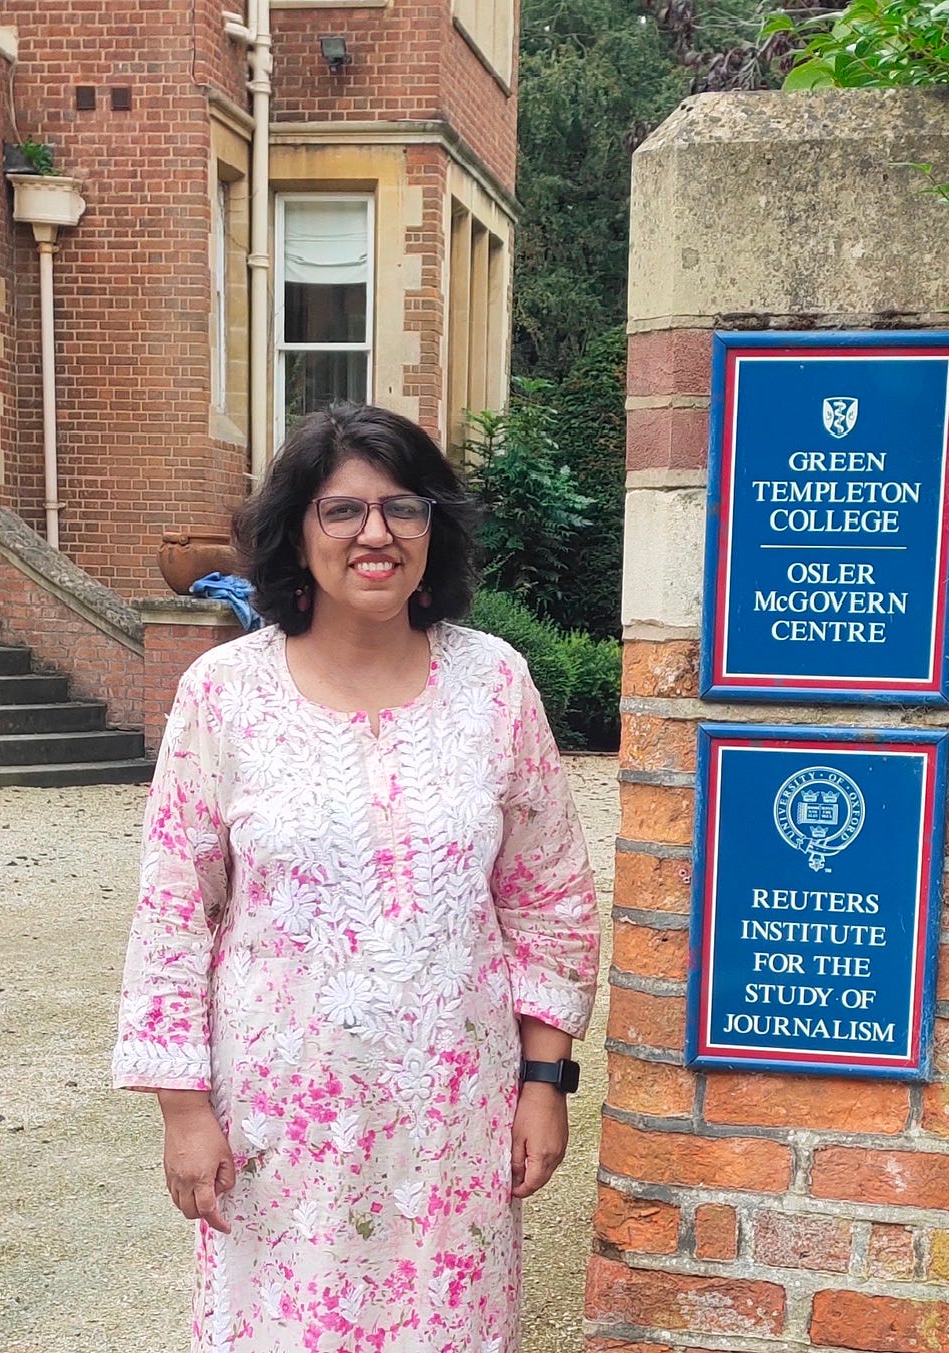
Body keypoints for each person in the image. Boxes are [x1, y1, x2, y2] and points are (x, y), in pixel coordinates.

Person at [112, 403, 601, 1353]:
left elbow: (548, 895)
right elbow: (176, 908)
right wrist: (183, 1111)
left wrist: (546, 1081)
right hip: (280, 1125)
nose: (375, 534)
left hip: (453, 1118)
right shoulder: (225, 696)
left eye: (403, 508)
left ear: (433, 528)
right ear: (298, 529)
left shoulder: (495, 685)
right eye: (342, 511)